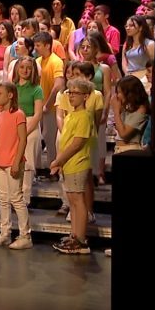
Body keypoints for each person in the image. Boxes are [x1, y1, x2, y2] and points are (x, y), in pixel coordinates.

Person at [50, 78, 95, 255]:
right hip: (69, 164)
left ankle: (81, 240)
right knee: (72, 201)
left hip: (77, 163)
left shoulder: (85, 116)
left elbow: (77, 144)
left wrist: (58, 160)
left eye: (76, 93)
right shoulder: (71, 114)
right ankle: (74, 235)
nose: (71, 96)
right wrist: (61, 161)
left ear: (85, 96)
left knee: (78, 201)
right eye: (70, 92)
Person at [0, 81, 31, 249]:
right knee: (4, 199)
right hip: (0, 161)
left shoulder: (18, 114)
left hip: (13, 161)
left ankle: (25, 236)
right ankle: (5, 233)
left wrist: (16, 161)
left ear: (10, 95)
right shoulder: (1, 114)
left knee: (16, 198)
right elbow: (0, 139)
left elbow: (22, 139)